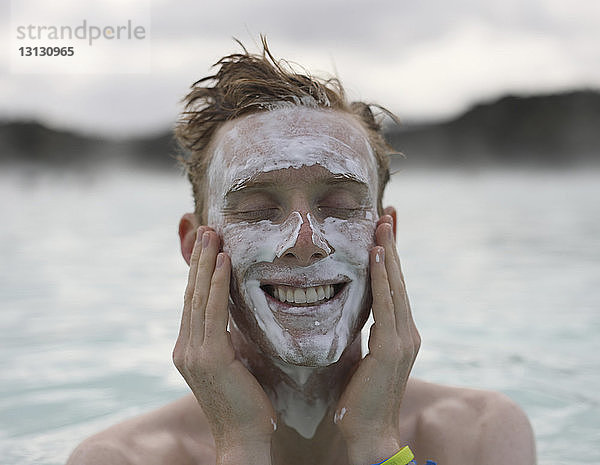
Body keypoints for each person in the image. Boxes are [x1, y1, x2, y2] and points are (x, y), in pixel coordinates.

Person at [66, 39, 536, 465]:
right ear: (195, 245)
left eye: (340, 206)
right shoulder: (119, 459)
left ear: (385, 233)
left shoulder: (480, 434)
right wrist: (241, 443)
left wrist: (376, 443)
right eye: (256, 209)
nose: (305, 242)